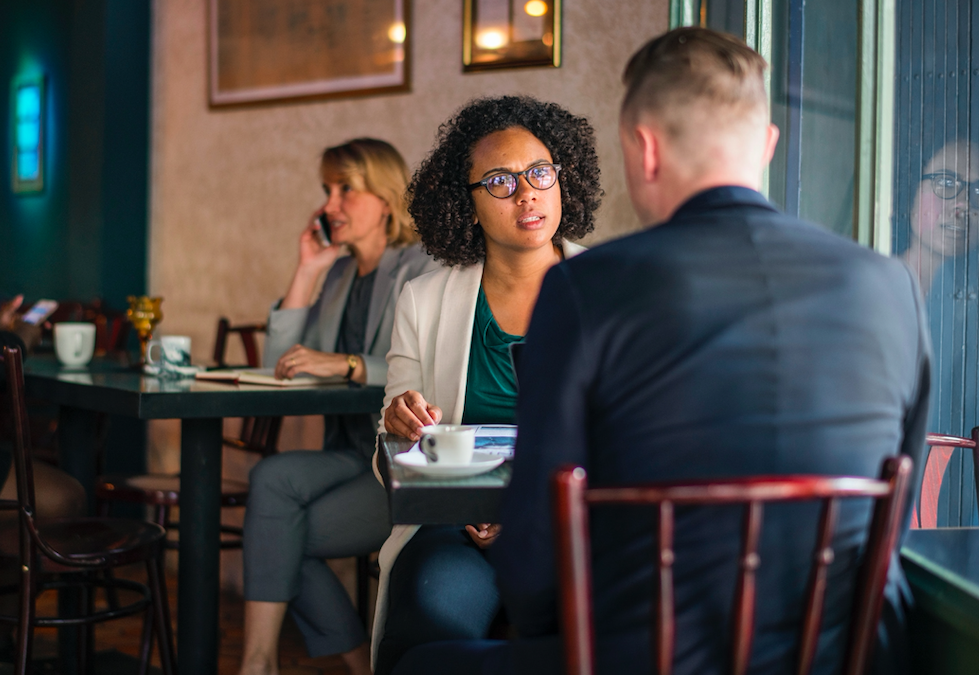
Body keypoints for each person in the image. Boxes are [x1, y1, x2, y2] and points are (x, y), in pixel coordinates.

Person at [393, 27, 931, 675]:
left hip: (644, 652)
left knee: (418, 662)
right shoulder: (885, 282)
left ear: (642, 148)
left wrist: (546, 632)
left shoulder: (587, 287)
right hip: (838, 653)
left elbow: (538, 537)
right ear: (766, 145)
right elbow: (895, 511)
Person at [371, 95, 602, 675]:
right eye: (499, 181)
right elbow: (393, 452)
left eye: (539, 173)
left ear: (560, 180)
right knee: (426, 627)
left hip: (577, 528)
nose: (526, 193)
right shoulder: (424, 299)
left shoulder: (610, 290)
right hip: (458, 525)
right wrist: (401, 424)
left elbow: (635, 440)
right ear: (467, 204)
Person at [239, 138, 438, 675]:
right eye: (327, 190)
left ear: (386, 198)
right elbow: (281, 366)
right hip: (348, 451)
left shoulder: (422, 268)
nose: (330, 204)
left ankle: (267, 663)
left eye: (346, 189)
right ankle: (278, 662)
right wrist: (308, 268)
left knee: (282, 532)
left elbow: (423, 370)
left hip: (397, 461)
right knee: (271, 479)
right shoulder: (340, 273)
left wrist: (348, 363)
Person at [900, 138, 979, 294]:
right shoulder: (867, 282)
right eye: (946, 183)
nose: (963, 204)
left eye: (978, 191)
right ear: (912, 190)